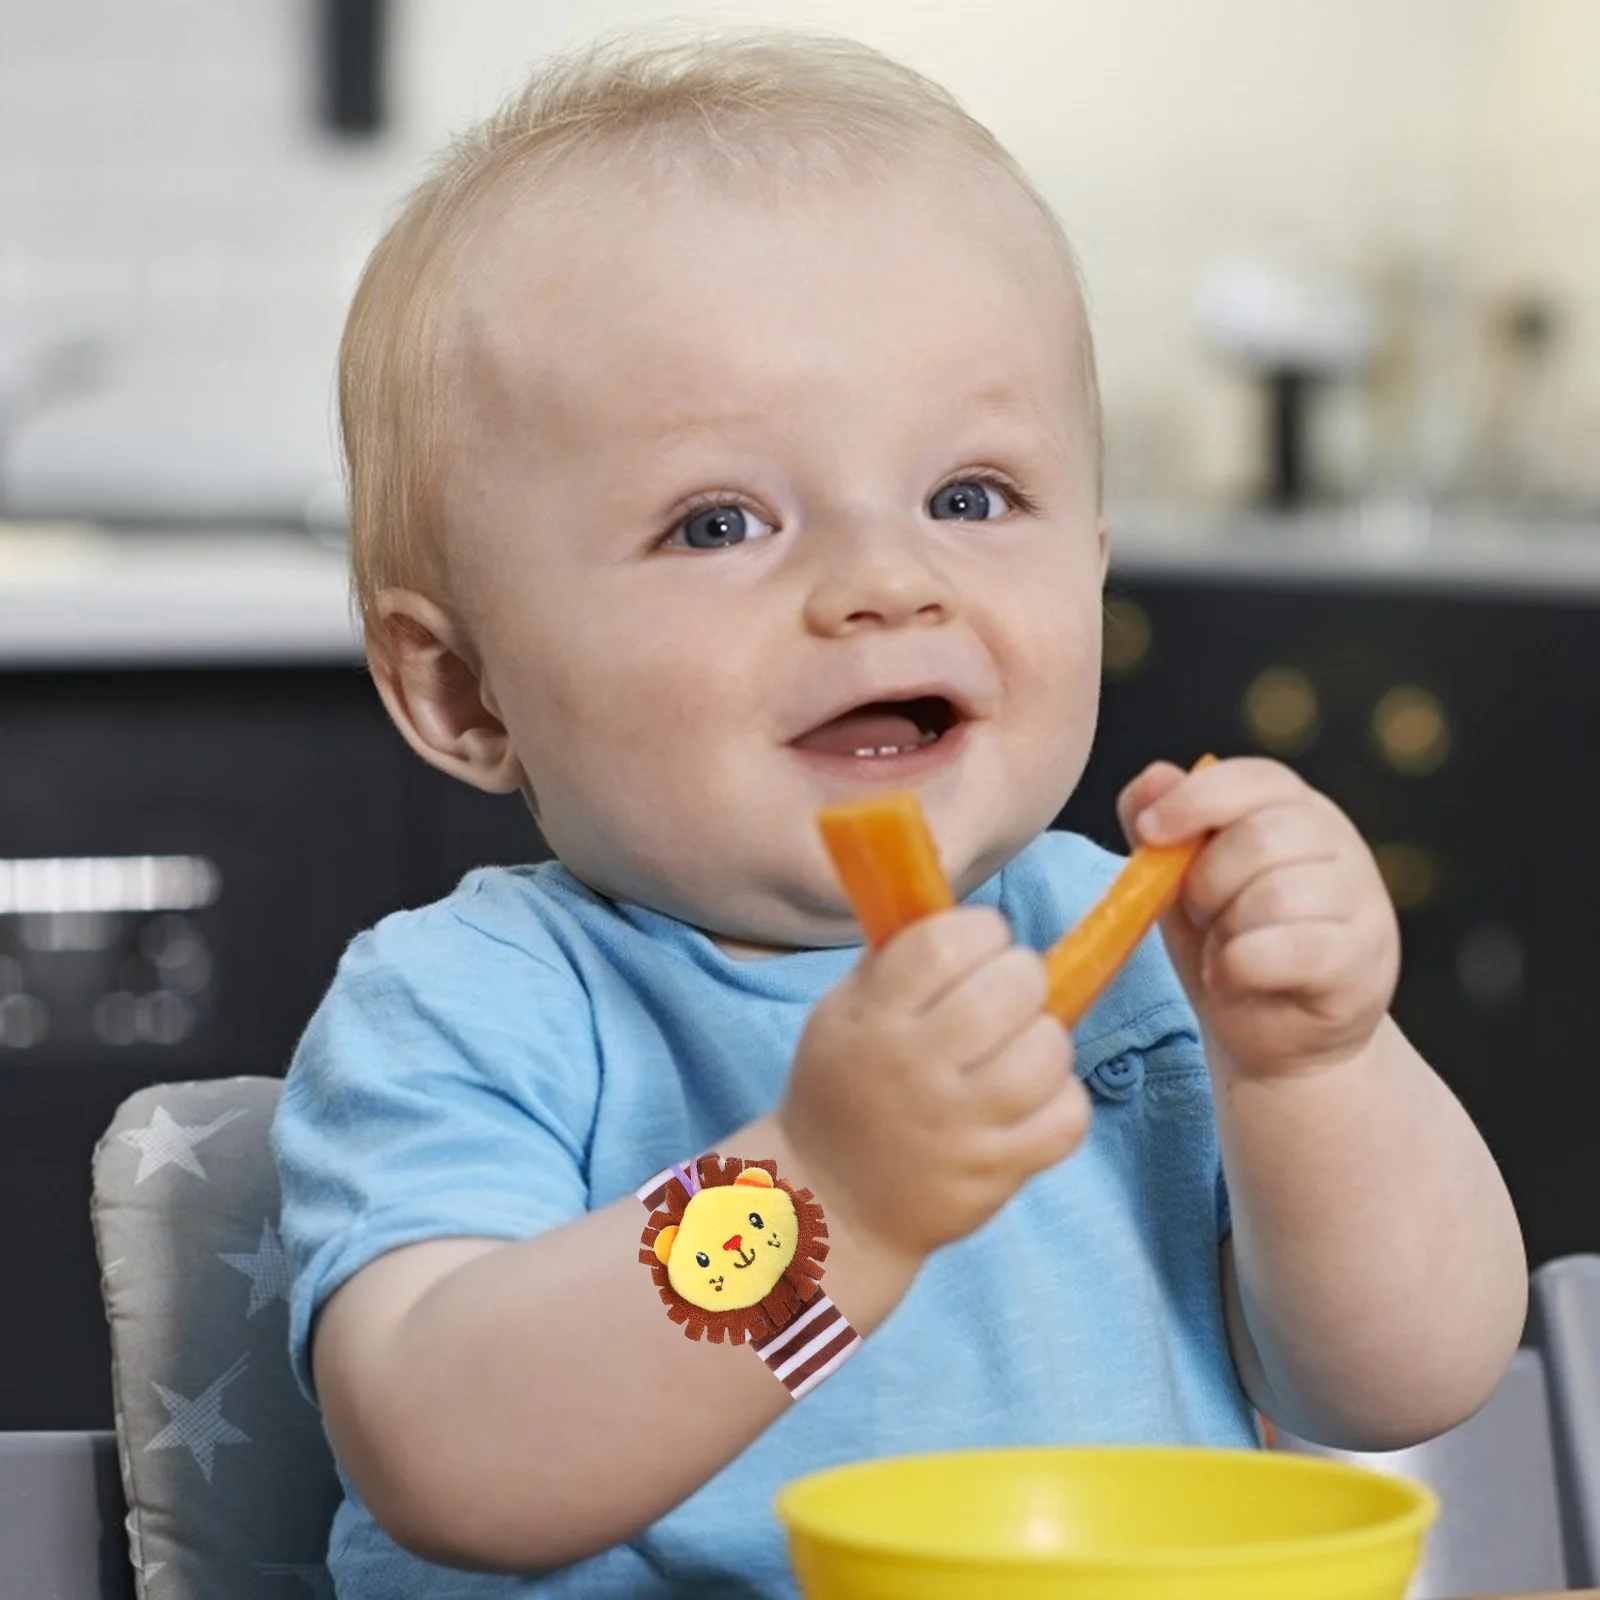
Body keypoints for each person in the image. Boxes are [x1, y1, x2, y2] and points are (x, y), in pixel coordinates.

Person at [273, 29, 1527, 1597]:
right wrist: (826, 1199)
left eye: (971, 497)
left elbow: (1405, 1380)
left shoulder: (1132, 954)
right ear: (465, 693)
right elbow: (450, 1454)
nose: (885, 580)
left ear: (1094, 558)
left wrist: (1315, 1065)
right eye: (719, 521)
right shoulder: (477, 1008)